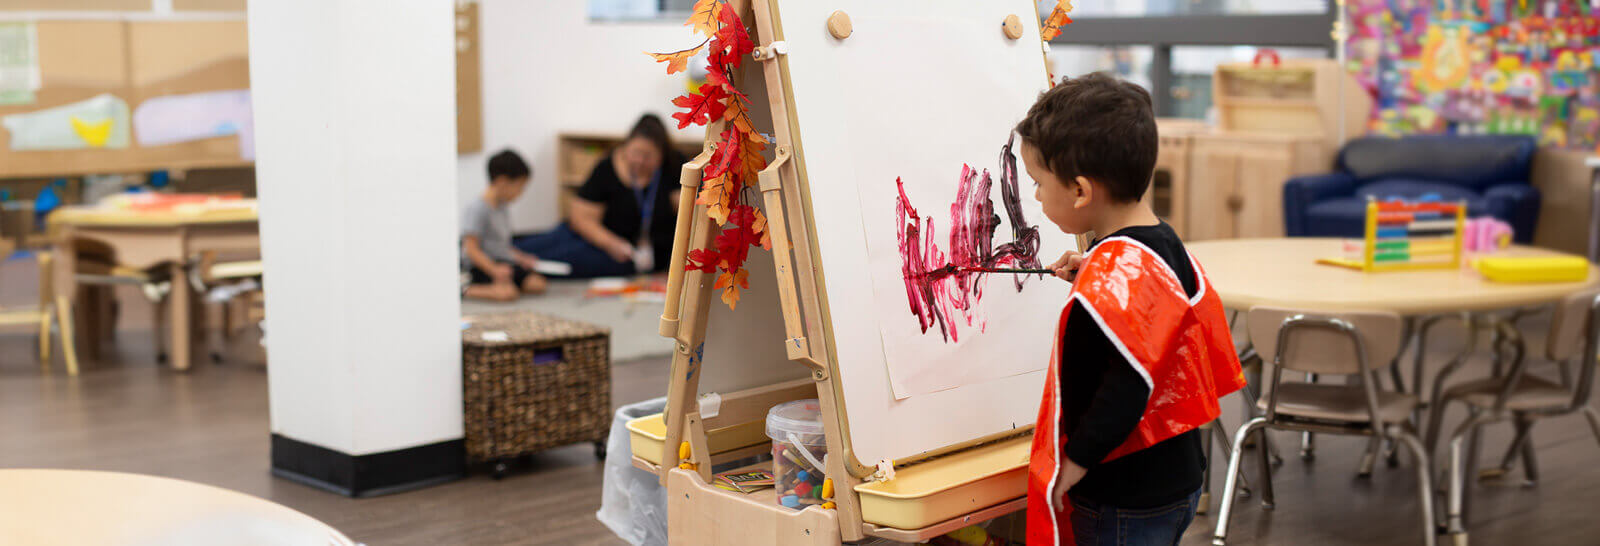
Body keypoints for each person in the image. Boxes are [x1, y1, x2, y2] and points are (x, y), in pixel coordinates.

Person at [1017, 73, 1246, 546]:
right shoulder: (1160, 240)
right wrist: (1093, 268)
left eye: (1039, 183)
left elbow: (1128, 384)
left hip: (1123, 497)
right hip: (1175, 477)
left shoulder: (1116, 278)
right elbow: (1154, 311)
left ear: (1080, 191)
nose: (1036, 196)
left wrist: (1073, 466)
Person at [515, 114, 684, 278]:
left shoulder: (676, 168)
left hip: (629, 258)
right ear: (626, 147)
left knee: (554, 262)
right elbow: (580, 218)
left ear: (661, 155)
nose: (639, 161)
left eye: (647, 156)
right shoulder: (607, 168)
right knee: (527, 249)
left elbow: (688, 214)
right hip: (595, 238)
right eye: (635, 153)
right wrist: (612, 244)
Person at [462, 150, 547, 301]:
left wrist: (521, 258)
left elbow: (502, 245)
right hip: (483, 266)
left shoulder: (502, 207)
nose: (521, 193)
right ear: (502, 181)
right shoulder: (477, 209)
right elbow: (471, 249)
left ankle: (502, 283)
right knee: (507, 294)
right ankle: (466, 290)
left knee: (537, 284)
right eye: (519, 187)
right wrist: (493, 269)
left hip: (504, 262)